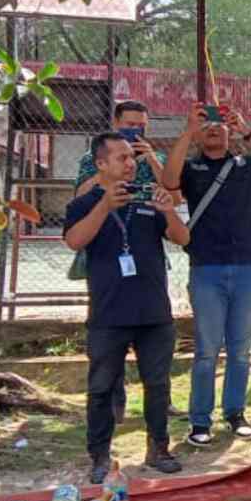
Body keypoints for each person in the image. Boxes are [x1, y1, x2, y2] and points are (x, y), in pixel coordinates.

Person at [64, 132, 190, 483]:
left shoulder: (150, 199)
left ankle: (159, 448)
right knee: (101, 387)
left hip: (153, 313)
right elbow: (74, 240)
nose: (130, 163)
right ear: (101, 164)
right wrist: (105, 206)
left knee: (158, 384)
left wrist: (169, 211)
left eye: (131, 157)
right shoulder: (84, 203)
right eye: (121, 157)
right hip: (108, 315)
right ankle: (100, 455)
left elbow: (183, 239)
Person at [162, 102, 251, 447]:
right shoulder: (191, 168)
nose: (214, 129)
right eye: (206, 126)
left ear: (231, 131)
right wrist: (188, 131)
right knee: (206, 350)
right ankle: (199, 420)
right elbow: (168, 180)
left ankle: (235, 413)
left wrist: (249, 132)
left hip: (248, 266)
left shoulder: (245, 164)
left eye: (220, 124)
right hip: (206, 268)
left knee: (241, 349)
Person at [73, 100, 176, 425]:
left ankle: (161, 408)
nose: (135, 131)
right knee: (110, 328)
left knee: (154, 327)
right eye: (129, 125)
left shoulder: (151, 157)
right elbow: (80, 194)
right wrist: (108, 180)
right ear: (116, 122)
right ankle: (113, 406)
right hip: (106, 247)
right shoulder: (94, 158)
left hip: (144, 245)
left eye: (141, 126)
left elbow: (173, 193)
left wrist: (151, 161)